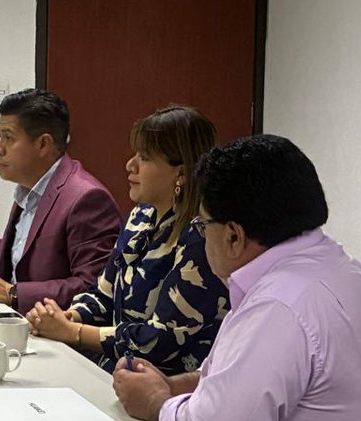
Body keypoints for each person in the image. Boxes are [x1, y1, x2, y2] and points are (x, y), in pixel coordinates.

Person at [112, 135, 361, 421]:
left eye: (203, 225)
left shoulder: (281, 304)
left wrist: (155, 404)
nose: (202, 238)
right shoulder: (341, 272)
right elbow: (259, 384)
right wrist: (182, 386)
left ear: (234, 236)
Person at [25, 105, 228, 375]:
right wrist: (69, 316)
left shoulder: (202, 237)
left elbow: (161, 339)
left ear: (180, 172)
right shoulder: (140, 217)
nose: (129, 165)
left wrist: (74, 332)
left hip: (165, 387)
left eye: (144, 158)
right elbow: (103, 294)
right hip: (113, 369)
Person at [0, 89, 121, 313]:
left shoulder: (86, 198)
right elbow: (26, 252)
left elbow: (93, 288)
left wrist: (13, 293)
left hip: (62, 340)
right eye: (0, 136)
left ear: (43, 144)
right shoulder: (32, 186)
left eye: (8, 138)